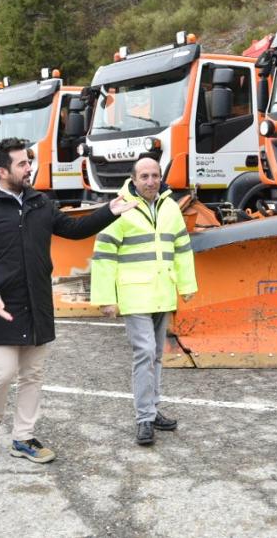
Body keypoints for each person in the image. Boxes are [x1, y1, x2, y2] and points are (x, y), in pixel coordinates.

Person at [0, 138, 131, 464]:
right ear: (2, 170)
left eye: (28, 162)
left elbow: (74, 230)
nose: (29, 168)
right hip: (1, 304)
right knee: (2, 372)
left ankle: (23, 437)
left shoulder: (40, 202)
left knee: (33, 374)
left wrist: (110, 211)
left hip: (37, 301)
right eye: (22, 164)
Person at [90, 157, 197, 446]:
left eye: (155, 176)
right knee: (145, 353)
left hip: (162, 294)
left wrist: (187, 286)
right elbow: (103, 256)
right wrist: (105, 299)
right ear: (133, 180)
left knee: (157, 356)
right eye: (144, 176)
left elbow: (182, 249)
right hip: (134, 295)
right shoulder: (120, 208)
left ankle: (152, 409)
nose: (150, 181)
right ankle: (144, 419)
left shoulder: (171, 208)